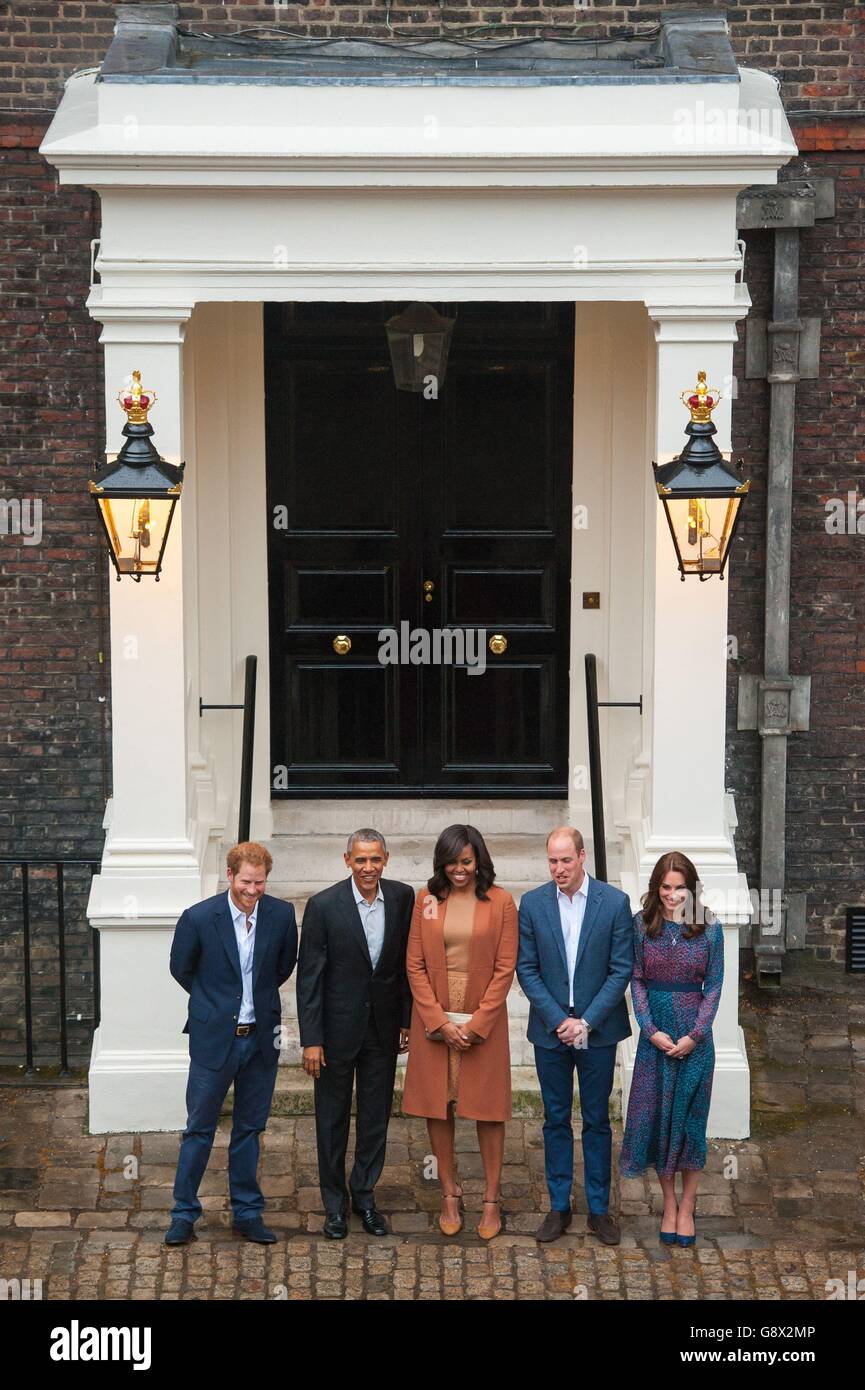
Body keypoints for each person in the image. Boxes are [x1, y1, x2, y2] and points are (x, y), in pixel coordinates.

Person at [165, 841, 298, 1246]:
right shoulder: (200, 917)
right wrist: (216, 1005)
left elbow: (283, 966)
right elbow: (181, 968)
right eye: (246, 882)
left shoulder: (281, 914)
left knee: (249, 1130)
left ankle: (247, 1212)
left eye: (259, 882)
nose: (253, 890)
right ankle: (184, 1214)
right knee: (199, 1130)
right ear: (229, 876)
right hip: (213, 1042)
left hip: (260, 1040)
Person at [517, 826, 633, 1245]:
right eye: (552, 860)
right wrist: (558, 1020)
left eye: (566, 860)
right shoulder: (532, 904)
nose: (559, 868)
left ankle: (599, 1210)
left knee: (598, 1120)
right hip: (551, 1031)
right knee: (555, 1118)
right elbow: (526, 969)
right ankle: (559, 1206)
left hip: (597, 1031)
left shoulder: (614, 903)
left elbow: (621, 968)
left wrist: (585, 1021)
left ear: (583, 857)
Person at [296, 829, 414, 1239]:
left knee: (374, 1119)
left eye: (375, 860)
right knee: (331, 1121)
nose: (368, 868)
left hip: (382, 1032)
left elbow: (402, 966)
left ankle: (364, 1196)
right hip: (334, 1034)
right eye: (361, 860)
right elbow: (309, 979)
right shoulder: (324, 906)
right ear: (347, 859)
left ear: (387, 859)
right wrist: (311, 1038)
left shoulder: (402, 898)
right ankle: (333, 1205)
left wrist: (406, 1020)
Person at [402, 824, 518, 1241]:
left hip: (482, 1020)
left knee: (487, 1109)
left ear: (478, 860)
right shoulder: (427, 900)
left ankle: (491, 1197)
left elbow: (506, 967)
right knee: (439, 1105)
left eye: (466, 861)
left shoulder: (501, 901)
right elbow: (414, 963)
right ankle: (449, 1192)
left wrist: (479, 1023)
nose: (459, 870)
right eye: (451, 862)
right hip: (435, 1019)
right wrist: (437, 1021)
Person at [618, 851, 724, 1248]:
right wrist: (649, 1030)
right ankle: (668, 1205)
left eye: (680, 887)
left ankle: (688, 1205)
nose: (672, 895)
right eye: (665, 887)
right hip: (656, 1042)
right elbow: (637, 980)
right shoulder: (642, 925)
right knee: (661, 1122)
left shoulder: (710, 927)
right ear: (656, 887)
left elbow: (714, 986)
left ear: (691, 888)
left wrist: (696, 1034)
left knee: (691, 1124)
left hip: (695, 1041)